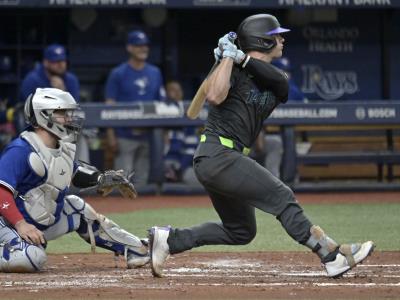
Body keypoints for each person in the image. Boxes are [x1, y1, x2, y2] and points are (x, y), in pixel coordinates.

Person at [148, 14, 374, 279]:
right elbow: (214, 95)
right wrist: (226, 59)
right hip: (217, 154)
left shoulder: (276, 77)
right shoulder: (230, 67)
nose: (281, 39)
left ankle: (170, 240)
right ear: (262, 40)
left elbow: (278, 82)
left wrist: (239, 58)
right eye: (276, 35)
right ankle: (331, 255)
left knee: (241, 231)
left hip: (225, 158)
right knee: (282, 196)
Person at [0, 88, 149, 272]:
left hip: (36, 226)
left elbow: (73, 172)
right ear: (43, 116)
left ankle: (136, 248)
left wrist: (102, 178)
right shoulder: (20, 150)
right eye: (62, 113)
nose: (69, 119)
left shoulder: (61, 148)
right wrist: (20, 224)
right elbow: (1, 192)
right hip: (8, 225)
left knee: (76, 207)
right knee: (32, 259)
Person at [105, 30, 166, 187]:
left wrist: (164, 133)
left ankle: (138, 211)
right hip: (124, 135)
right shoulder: (118, 73)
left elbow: (161, 104)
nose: (143, 49)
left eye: (145, 45)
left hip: (148, 134)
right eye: (138, 46)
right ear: (129, 48)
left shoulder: (155, 72)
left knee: (142, 182)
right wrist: (111, 134)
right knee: (122, 182)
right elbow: (109, 105)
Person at [20, 44, 90, 164]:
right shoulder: (32, 80)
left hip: (65, 127)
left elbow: (74, 109)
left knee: (78, 134)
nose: (60, 64)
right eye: (55, 61)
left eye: (62, 61)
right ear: (46, 62)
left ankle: (80, 170)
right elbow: (28, 110)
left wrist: (63, 91)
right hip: (40, 128)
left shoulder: (71, 80)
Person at [259, 56, 308, 179]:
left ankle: (284, 177)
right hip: (263, 133)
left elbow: (307, 108)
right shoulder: (263, 86)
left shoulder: (293, 88)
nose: (287, 74)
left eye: (288, 71)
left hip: (288, 134)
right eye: (283, 71)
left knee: (287, 138)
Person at [163, 80, 202, 188]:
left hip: (185, 164)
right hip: (165, 162)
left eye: (179, 90)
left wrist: (181, 168)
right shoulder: (162, 109)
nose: (177, 93)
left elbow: (191, 147)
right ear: (166, 92)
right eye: (172, 90)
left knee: (196, 179)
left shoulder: (188, 109)